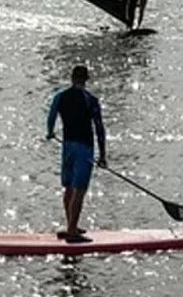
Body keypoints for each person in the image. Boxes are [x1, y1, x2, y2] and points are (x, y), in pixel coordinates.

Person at [46, 65, 106, 243]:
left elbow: (51, 116)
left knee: (69, 188)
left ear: (72, 78)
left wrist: (50, 132)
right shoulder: (91, 100)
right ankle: (72, 231)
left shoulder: (60, 96)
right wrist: (103, 155)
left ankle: (71, 225)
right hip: (84, 148)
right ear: (86, 79)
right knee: (79, 190)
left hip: (67, 147)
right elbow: (99, 129)